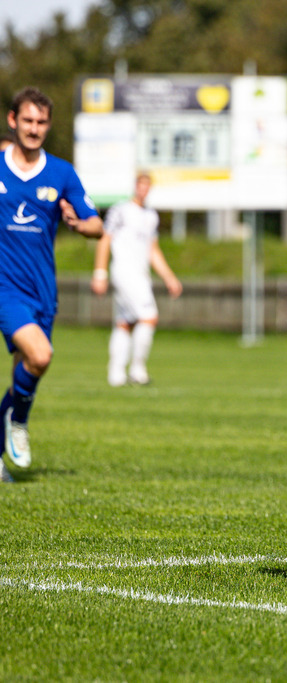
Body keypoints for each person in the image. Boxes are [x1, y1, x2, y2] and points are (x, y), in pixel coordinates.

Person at [1, 87, 104, 480]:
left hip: (43, 291)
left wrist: (80, 224)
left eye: (41, 122)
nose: (34, 128)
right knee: (41, 356)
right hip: (5, 288)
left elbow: (96, 223)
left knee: (25, 371)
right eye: (27, 120)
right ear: (13, 121)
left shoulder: (61, 172)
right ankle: (19, 423)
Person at [91, 173, 182, 386]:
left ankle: (116, 374)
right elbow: (105, 239)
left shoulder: (151, 216)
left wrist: (169, 277)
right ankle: (138, 369)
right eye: (140, 185)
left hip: (141, 275)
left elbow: (153, 250)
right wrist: (99, 272)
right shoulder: (121, 210)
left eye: (147, 186)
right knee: (149, 316)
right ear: (135, 186)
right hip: (123, 271)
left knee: (125, 322)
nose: (143, 190)